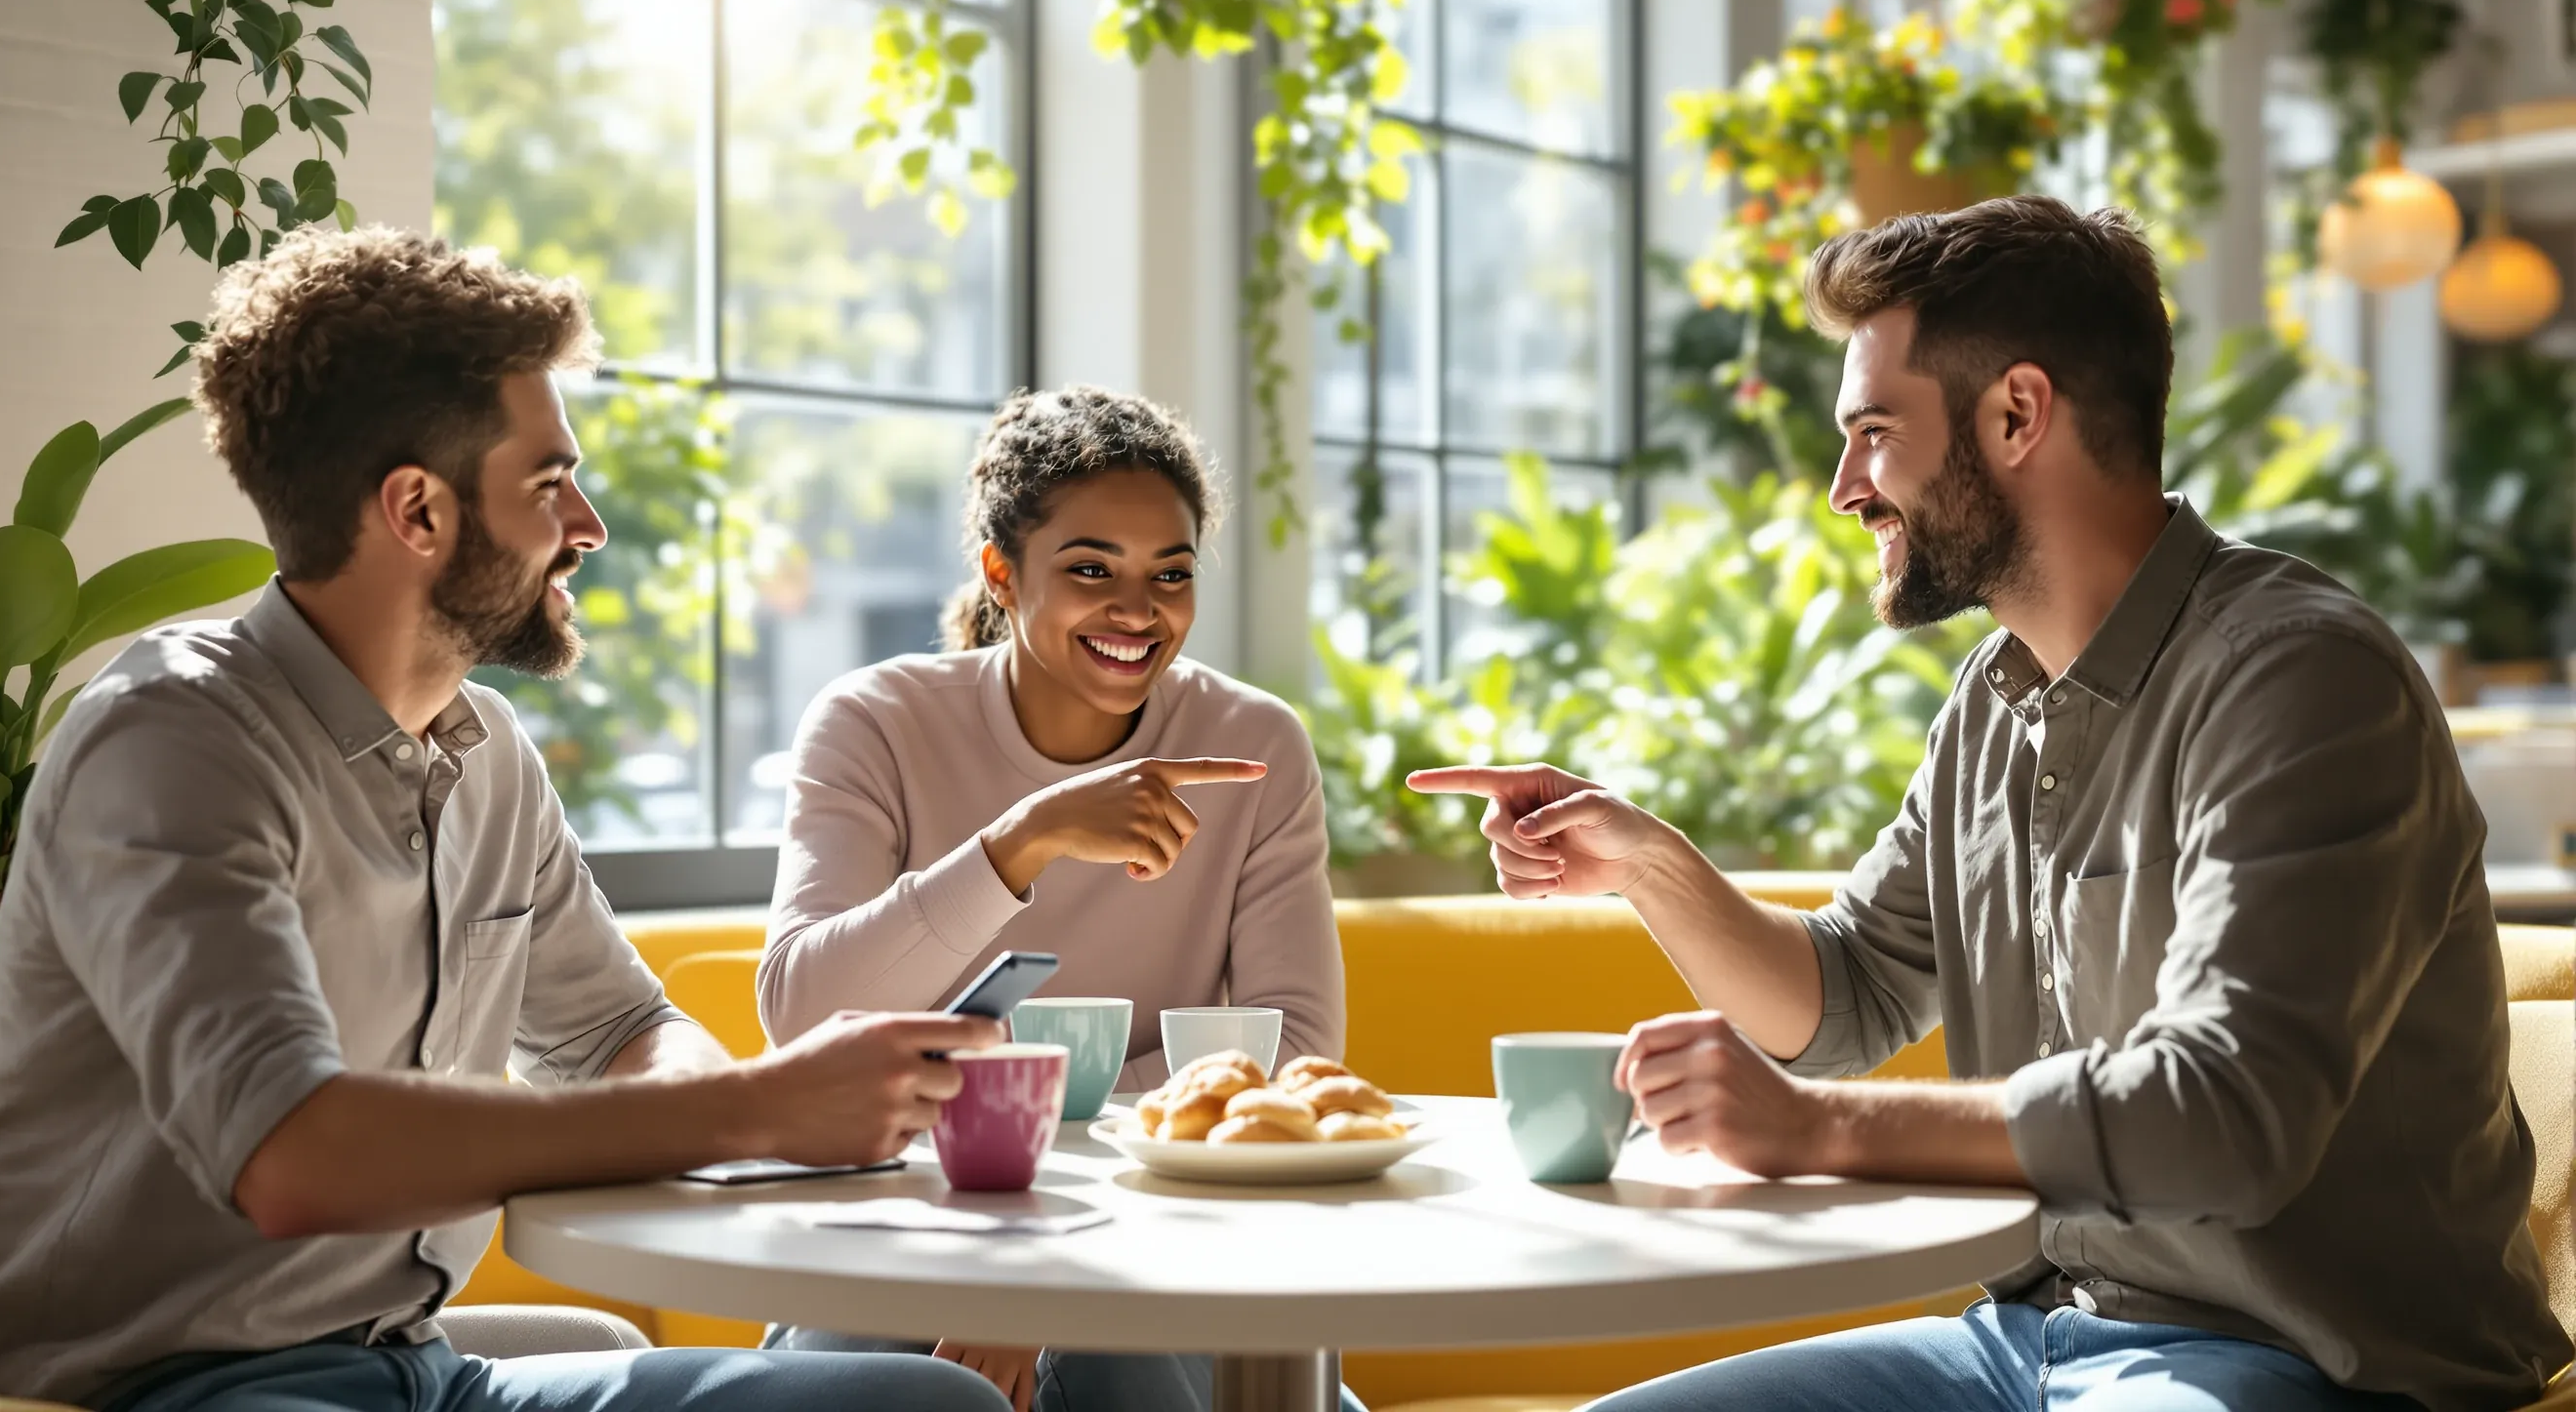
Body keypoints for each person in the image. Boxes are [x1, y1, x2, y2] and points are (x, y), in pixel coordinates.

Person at [1413, 197, 2571, 1412]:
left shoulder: (2301, 681)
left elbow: (2228, 1119)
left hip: (2311, 1365)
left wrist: (1816, 1132)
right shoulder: (1992, 702)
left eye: (1871, 432)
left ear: (2016, 412)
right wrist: (1645, 863)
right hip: (2027, 1341)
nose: (1843, 489)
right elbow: (1848, 994)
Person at [0, 229, 1010, 1412]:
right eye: (549, 485)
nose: (586, 525)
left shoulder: (485, 755)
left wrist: (758, 1118)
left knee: (922, 1404)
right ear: (418, 512)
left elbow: (618, 1032)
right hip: (148, 1392)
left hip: (413, 1371)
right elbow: (290, 1155)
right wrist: (755, 1106)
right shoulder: (174, 741)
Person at [756, 385, 1349, 1412]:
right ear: (1000, 569)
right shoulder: (875, 724)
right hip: (908, 1229)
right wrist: (1021, 843)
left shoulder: (1253, 745)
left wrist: (1046, 1268)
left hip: (1165, 1228)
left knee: (1130, 1353)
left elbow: (1292, 1049)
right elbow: (805, 1012)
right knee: (868, 1373)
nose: (1139, 611)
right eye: (1090, 572)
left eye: (1171, 574)